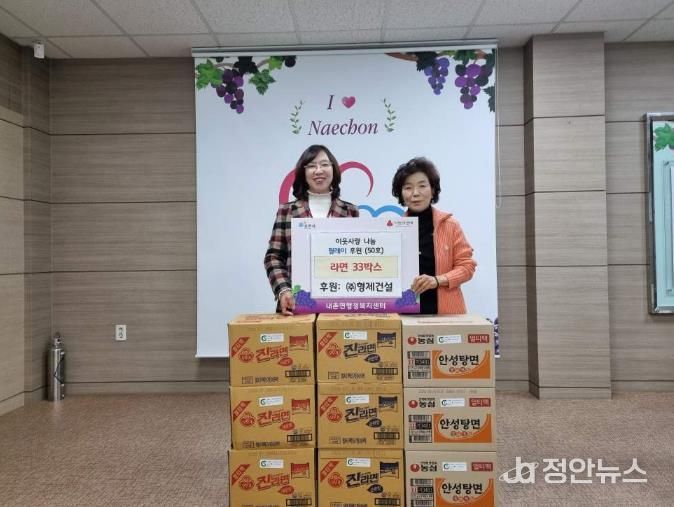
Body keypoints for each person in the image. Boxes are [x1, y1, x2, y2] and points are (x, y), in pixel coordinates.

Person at [264, 145, 359, 315]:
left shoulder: (350, 211)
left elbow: (358, 258)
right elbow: (274, 257)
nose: (319, 170)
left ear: (334, 169)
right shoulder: (286, 211)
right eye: (312, 166)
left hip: (340, 304)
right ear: (303, 172)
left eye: (324, 164)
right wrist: (284, 290)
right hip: (296, 305)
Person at [391, 157, 476, 314]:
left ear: (433, 190)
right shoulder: (393, 230)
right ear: (401, 194)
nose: (415, 193)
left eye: (422, 186)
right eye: (408, 188)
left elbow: (467, 266)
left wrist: (437, 280)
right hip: (405, 313)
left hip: (446, 314)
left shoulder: (450, 225)